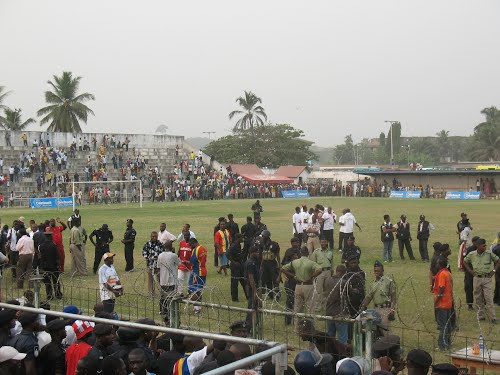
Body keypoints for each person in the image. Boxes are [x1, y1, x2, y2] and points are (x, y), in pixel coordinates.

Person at [463, 238, 500, 322]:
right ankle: (481, 316)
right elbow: (464, 261)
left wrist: (493, 271)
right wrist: (470, 271)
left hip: (487, 278)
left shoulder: (489, 254)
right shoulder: (472, 254)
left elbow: (498, 261)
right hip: (477, 278)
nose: (485, 247)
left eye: (485, 245)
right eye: (483, 246)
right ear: (477, 246)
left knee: (489, 297)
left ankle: (493, 318)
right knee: (478, 297)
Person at [281, 247, 322, 317]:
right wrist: (312, 277)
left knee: (297, 308)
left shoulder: (295, 262)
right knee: (310, 307)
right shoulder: (311, 263)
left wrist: (293, 276)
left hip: (298, 285)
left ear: (300, 253)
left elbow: (283, 268)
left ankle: (297, 326)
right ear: (308, 253)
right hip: (308, 285)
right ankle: (311, 326)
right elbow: (320, 269)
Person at [361, 261, 397, 334]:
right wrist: (363, 307)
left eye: (378, 271)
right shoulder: (373, 284)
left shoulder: (388, 282)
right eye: (375, 271)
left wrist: (392, 310)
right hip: (375, 309)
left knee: (385, 331)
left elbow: (394, 298)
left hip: (385, 310)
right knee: (372, 330)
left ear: (382, 271)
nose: (376, 272)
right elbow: (368, 298)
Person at [433, 256, 454, 351]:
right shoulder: (448, 273)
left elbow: (441, 288)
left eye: (437, 263)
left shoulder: (441, 274)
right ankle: (448, 343)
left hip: (442, 303)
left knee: (443, 325)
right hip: (449, 302)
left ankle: (442, 345)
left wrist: (436, 302)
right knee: (448, 324)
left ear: (439, 264)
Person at [325, 264, 349, 344]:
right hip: (339, 312)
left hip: (329, 311)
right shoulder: (343, 282)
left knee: (330, 335)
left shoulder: (328, 280)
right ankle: (343, 353)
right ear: (344, 272)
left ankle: (330, 351)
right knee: (342, 337)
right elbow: (350, 294)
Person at [309, 235, 333, 313]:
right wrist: (314, 274)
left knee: (327, 290)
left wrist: (332, 272)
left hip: (328, 271)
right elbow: (313, 263)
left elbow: (332, 263)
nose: (323, 243)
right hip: (320, 272)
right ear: (320, 243)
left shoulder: (330, 252)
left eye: (325, 242)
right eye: (322, 242)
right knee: (318, 290)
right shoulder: (316, 252)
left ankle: (325, 305)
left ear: (327, 243)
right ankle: (317, 306)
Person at [157, 241, 180, 319]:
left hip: (163, 279)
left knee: (163, 296)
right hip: (171, 279)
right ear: (171, 247)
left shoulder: (160, 255)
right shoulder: (173, 255)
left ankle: (162, 310)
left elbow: (158, 267)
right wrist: (174, 252)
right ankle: (171, 310)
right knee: (171, 296)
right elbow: (179, 263)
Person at [255, 230, 281, 298]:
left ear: (266, 237)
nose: (262, 237)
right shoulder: (262, 244)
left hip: (272, 263)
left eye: (263, 236)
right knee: (267, 280)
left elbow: (277, 255)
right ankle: (271, 295)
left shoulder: (274, 244)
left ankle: (277, 295)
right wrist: (261, 265)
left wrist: (279, 264)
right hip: (265, 264)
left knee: (275, 280)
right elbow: (263, 256)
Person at [282, 237, 301, 325]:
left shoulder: (300, 251)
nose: (296, 244)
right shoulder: (288, 252)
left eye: (297, 242)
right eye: (295, 242)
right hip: (290, 280)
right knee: (290, 300)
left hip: (298, 279)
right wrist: (285, 276)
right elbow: (283, 266)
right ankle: (288, 320)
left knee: (298, 300)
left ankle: (296, 320)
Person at [38, 231, 63, 299]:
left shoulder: (41, 246)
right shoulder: (53, 246)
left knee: (47, 282)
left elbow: (40, 257)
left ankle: (49, 295)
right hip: (53, 266)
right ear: (50, 237)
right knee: (56, 281)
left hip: (45, 266)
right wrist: (59, 266)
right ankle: (58, 294)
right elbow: (57, 257)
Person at [188, 237, 207, 314]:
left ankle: (197, 308)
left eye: (190, 245)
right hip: (203, 271)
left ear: (193, 243)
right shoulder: (203, 248)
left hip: (197, 272)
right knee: (198, 290)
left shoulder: (196, 250)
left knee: (192, 290)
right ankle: (198, 307)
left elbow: (192, 261)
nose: (190, 247)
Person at [142, 231, 164, 295]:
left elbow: (163, 252)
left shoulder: (160, 244)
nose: (154, 238)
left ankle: (162, 291)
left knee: (159, 278)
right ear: (151, 237)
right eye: (153, 236)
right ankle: (151, 292)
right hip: (150, 263)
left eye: (155, 236)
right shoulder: (148, 244)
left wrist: (158, 257)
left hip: (158, 264)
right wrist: (147, 258)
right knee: (150, 278)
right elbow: (144, 251)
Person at [227, 233, 247, 302]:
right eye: (242, 238)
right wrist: (233, 262)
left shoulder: (238, 245)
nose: (243, 239)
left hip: (240, 265)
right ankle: (234, 298)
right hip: (235, 267)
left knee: (244, 281)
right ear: (238, 238)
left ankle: (248, 296)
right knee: (235, 283)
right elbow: (227, 254)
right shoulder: (234, 246)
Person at [244, 246, 260, 326]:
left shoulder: (253, 261)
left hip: (252, 286)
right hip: (251, 287)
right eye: (256, 252)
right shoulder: (251, 263)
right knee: (252, 305)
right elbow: (251, 278)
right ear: (252, 253)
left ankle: (254, 322)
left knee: (255, 305)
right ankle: (248, 324)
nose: (258, 254)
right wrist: (255, 291)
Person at [177, 230, 193, 295]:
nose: (186, 237)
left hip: (189, 264)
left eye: (187, 235)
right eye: (185, 235)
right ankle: (180, 292)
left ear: (189, 236)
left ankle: (190, 291)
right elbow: (179, 251)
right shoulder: (181, 243)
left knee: (189, 279)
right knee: (179, 278)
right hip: (182, 264)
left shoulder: (192, 243)